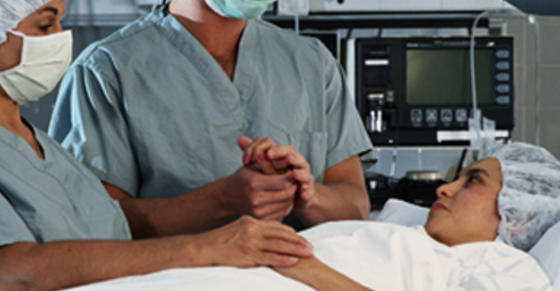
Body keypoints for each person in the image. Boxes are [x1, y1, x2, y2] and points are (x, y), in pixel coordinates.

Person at [0, 0, 314, 291]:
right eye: (44, 26)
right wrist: (205, 248)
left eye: (60, 22)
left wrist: (236, 197)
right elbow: (8, 273)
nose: (60, 39)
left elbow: (115, 231)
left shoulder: (36, 146)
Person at [49, 0, 374, 237]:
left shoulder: (311, 64)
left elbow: (355, 208)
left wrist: (308, 194)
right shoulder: (109, 71)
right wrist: (225, 199)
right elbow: (96, 225)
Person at [67, 142, 559, 290]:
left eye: (473, 182)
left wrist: (305, 268)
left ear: (516, 216)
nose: (447, 186)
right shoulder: (408, 237)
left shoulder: (505, 268)